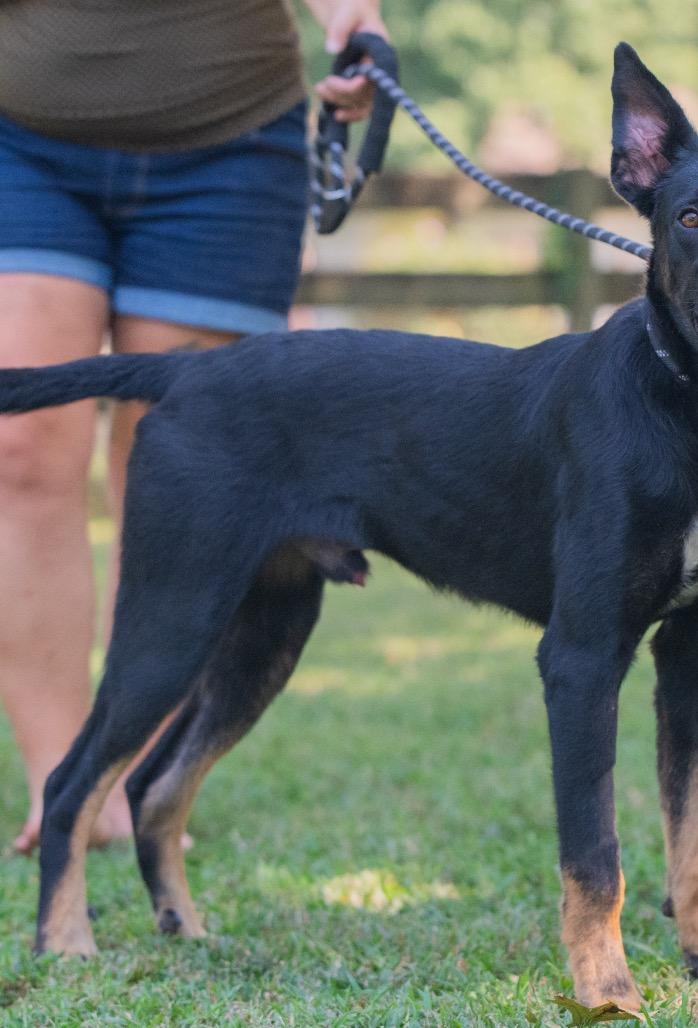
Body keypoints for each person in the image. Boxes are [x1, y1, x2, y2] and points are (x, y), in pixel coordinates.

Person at [0, 0, 389, 854]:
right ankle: (58, 786)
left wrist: (352, 17)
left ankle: (125, 779)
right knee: (20, 447)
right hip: (20, 139)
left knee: (186, 464)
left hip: (231, 152)